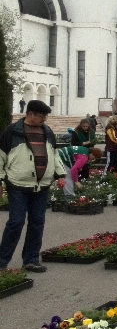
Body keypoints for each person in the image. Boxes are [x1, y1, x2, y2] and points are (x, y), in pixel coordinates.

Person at [0, 100, 66, 272]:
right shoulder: (12, 132)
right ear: (30, 114)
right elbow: (1, 156)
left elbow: (54, 154)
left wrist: (60, 174)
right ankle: (1, 261)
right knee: (16, 222)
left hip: (41, 185)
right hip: (18, 184)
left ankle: (31, 260)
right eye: (42, 116)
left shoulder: (47, 131)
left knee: (37, 223)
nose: (44, 119)